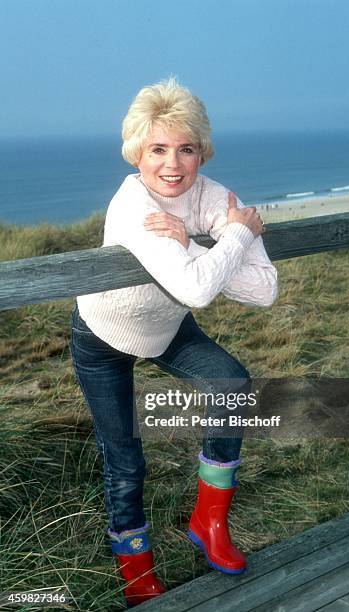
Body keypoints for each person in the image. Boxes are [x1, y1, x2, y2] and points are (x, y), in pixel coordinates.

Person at [70, 77, 278, 608]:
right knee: (125, 458)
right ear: (136, 154)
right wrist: (232, 236)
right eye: (157, 149)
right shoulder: (134, 206)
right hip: (104, 334)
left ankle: (209, 521)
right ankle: (136, 569)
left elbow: (264, 291)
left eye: (186, 149)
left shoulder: (214, 197)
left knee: (231, 386)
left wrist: (195, 242)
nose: (173, 164)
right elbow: (195, 288)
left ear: (202, 151)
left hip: (165, 328)